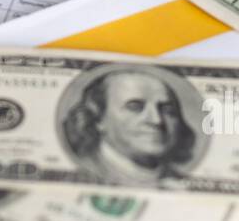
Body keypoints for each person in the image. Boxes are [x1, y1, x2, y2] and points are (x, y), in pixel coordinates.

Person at [63, 68, 196, 185]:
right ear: (98, 118)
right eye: (135, 107)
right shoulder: (83, 171)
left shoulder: (181, 182)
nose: (157, 120)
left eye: (167, 110)